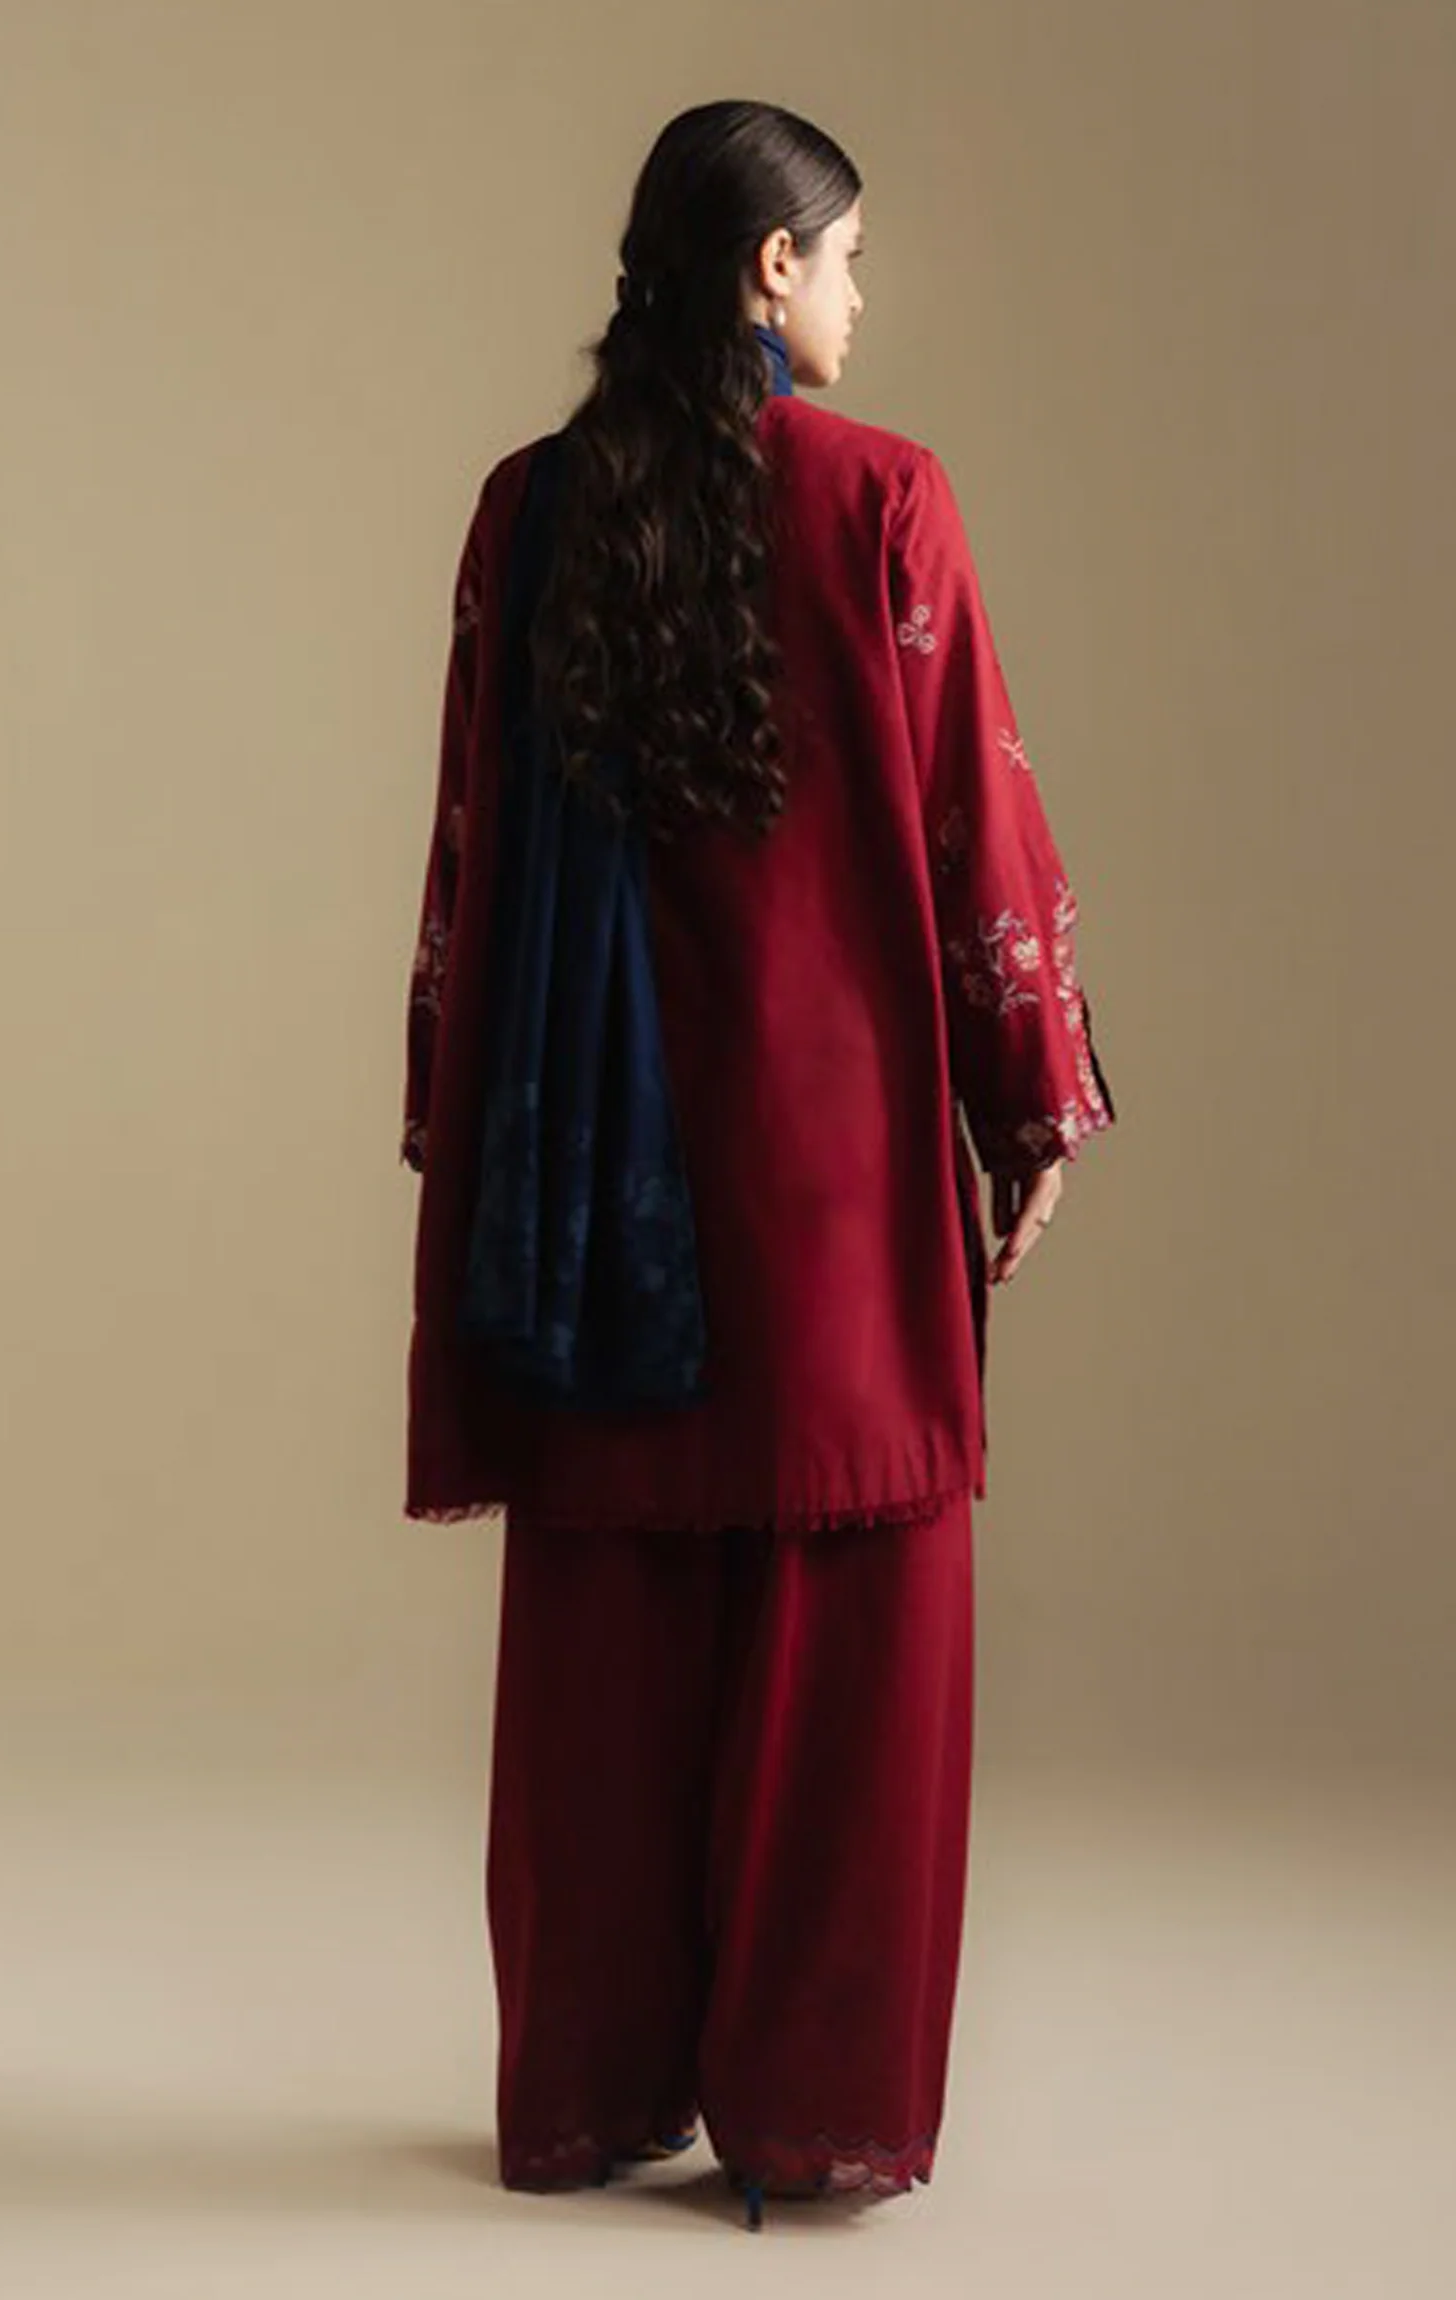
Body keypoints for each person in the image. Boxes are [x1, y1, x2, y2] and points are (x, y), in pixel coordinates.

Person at [399, 100, 1117, 2231]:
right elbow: (977, 823)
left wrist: (456, 1112)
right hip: (826, 1172)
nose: (865, 297)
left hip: (585, 1171)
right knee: (840, 1643)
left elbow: (468, 847)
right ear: (767, 269)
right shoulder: (884, 501)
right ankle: (808, 2114)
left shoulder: (527, 510)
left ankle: (593, 2088)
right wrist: (1032, 1089)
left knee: (610, 1636)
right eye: (850, 256)